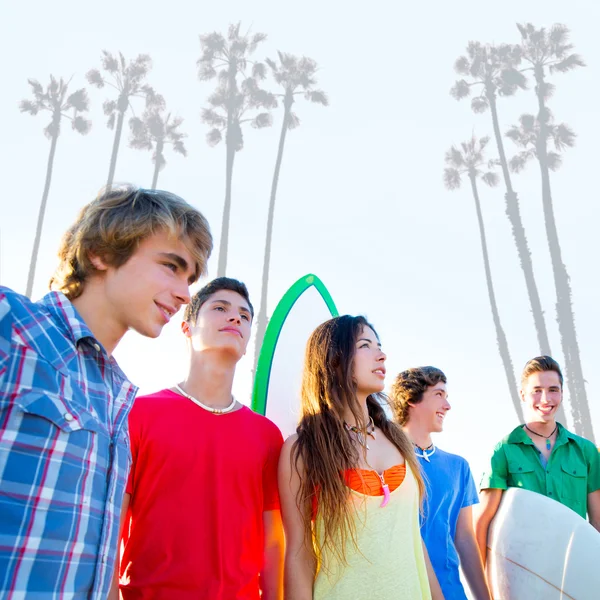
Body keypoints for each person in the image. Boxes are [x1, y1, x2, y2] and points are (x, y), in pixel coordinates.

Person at [0, 184, 212, 598]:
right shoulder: (11, 325)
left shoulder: (117, 397)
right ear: (101, 253)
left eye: (189, 279)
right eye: (171, 266)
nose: (185, 294)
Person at [117, 277, 284, 600]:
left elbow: (273, 542)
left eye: (245, 316)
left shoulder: (266, 435)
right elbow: (112, 527)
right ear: (187, 328)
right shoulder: (138, 414)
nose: (235, 318)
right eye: (220, 308)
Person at [278, 315, 443, 599]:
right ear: (335, 360)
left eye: (379, 345)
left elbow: (414, 540)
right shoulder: (303, 449)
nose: (381, 355)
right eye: (366, 345)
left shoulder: (399, 440)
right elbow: (299, 554)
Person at [475, 355, 600, 564]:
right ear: (523, 394)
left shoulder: (586, 451)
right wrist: (483, 587)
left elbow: (597, 520)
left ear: (562, 393)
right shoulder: (503, 451)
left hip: (575, 568)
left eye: (553, 390)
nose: (545, 399)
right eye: (537, 391)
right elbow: (482, 523)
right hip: (521, 572)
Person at [390, 366, 490, 600]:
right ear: (411, 399)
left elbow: (464, 538)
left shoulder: (458, 466)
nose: (447, 405)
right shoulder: (387, 458)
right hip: (400, 590)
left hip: (451, 590)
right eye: (439, 395)